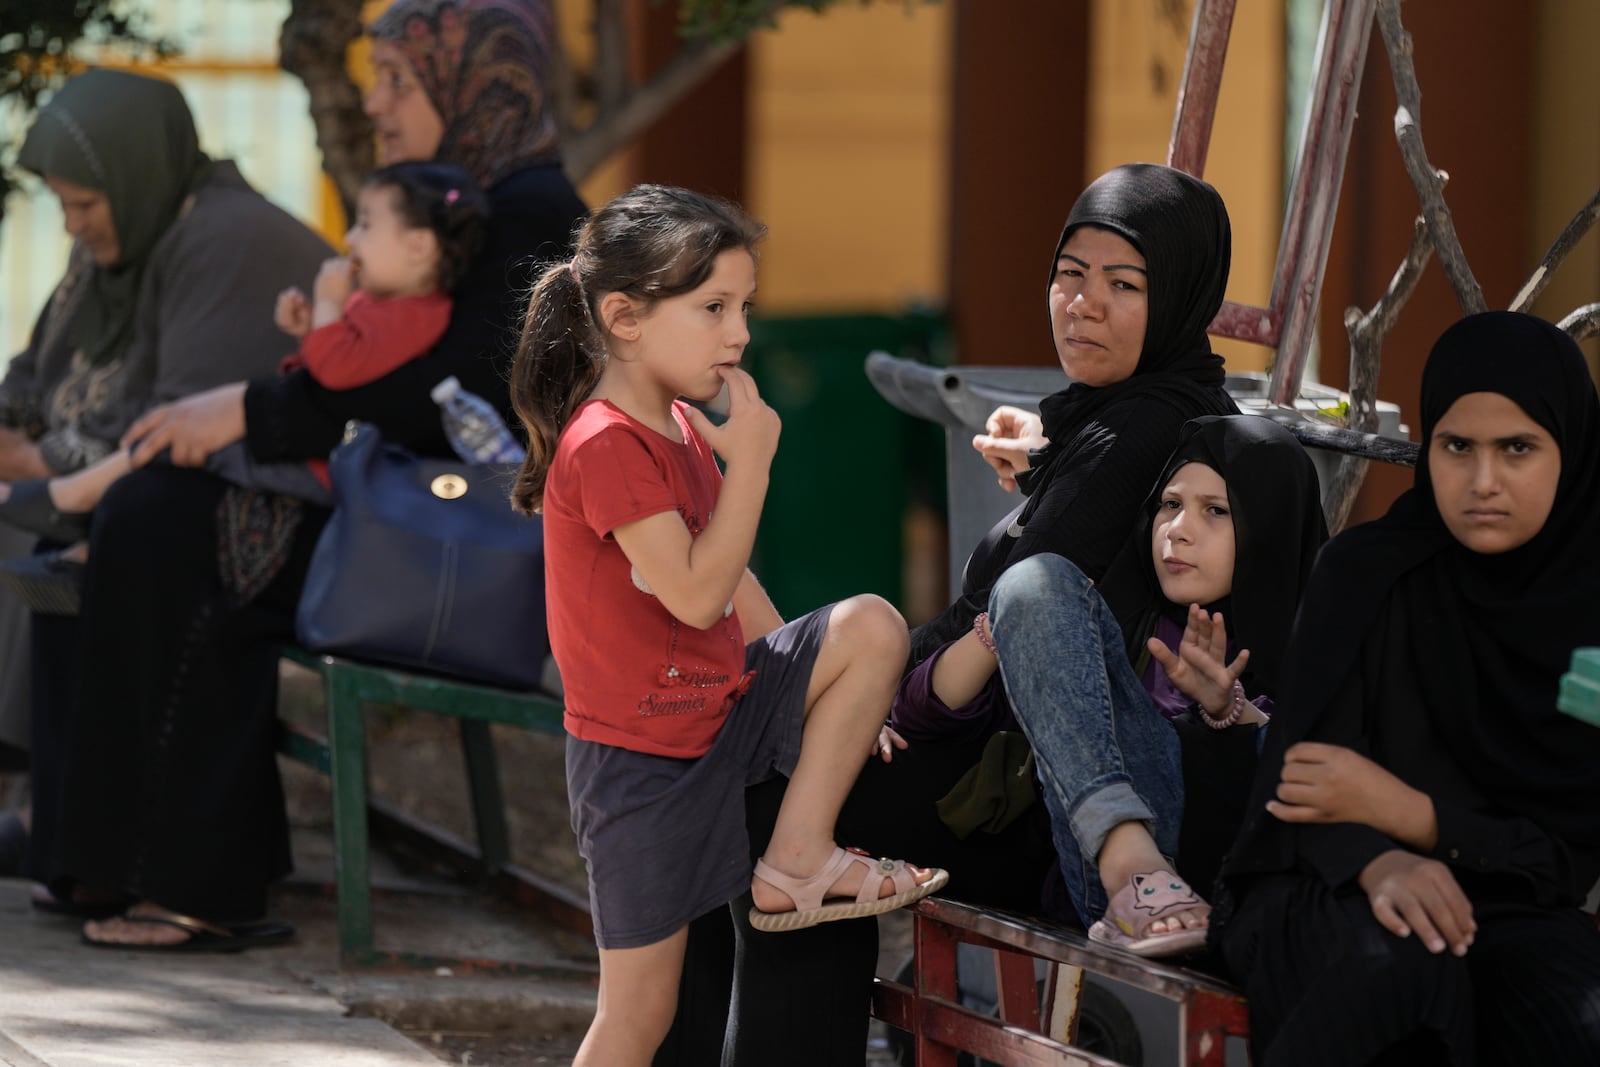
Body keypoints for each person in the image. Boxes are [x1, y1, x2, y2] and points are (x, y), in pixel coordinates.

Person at [656, 162, 1244, 1066]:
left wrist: (876, 704)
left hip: (1048, 809)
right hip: (997, 760)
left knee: (775, 794)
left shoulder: (1144, 434)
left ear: (1179, 297)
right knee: (766, 784)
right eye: (1070, 273)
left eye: (1123, 285)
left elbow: (1007, 615)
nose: (1082, 304)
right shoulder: (1107, 418)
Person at [26, 0, 587, 948]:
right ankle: (97, 859)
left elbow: (440, 394)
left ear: (475, 82)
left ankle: (202, 884)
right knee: (139, 517)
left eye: (399, 80)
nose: (374, 101)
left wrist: (246, 412)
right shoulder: (454, 195)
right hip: (389, 510)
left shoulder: (529, 219)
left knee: (168, 531)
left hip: (443, 542)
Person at [514, 183, 947, 1067]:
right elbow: (694, 596)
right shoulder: (604, 441)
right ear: (625, 317)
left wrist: (823, 686)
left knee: (871, 627)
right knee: (641, 1014)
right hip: (639, 764)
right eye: (713, 307)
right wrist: (750, 460)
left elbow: (738, 582)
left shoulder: (675, 420)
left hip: (722, 716)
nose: (739, 333)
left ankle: (795, 859)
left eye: (743, 307)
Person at [1213, 311, 1600, 1065]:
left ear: (1573, 450)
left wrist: (1415, 815)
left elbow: (1563, 861)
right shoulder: (1367, 572)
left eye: (1517, 448)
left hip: (1506, 904)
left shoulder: (1587, 611)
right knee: (1404, 972)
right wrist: (1379, 854)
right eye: (1458, 447)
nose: (1483, 481)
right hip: (1326, 882)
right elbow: (1303, 789)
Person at [0, 67, 332, 872]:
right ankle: (50, 809)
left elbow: (174, 429)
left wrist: (37, 473)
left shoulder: (225, 239)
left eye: (85, 205)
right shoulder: (125, 244)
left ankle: (55, 808)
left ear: (136, 173)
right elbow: (32, 375)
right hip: (120, 481)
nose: (75, 227)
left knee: (54, 526)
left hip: (246, 504)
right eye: (65, 207)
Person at [892, 414, 1327, 957]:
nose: (1178, 530)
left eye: (1216, 511)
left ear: (1271, 526)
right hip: (1102, 879)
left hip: (1233, 876)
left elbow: (1312, 789)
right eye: (1170, 505)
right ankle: (1130, 864)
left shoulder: (1324, 647)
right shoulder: (1119, 618)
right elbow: (917, 715)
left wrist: (1225, 709)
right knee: (1035, 580)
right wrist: (1021, 624)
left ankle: (1141, 872)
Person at [0, 159, 491, 607]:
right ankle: (83, 545)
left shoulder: (416, 316)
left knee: (179, 440)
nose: (350, 240)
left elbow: (336, 373)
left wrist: (325, 309)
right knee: (176, 435)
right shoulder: (390, 307)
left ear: (418, 246)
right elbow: (346, 358)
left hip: (320, 472)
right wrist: (311, 327)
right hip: (316, 462)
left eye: (365, 224)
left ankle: (71, 500)